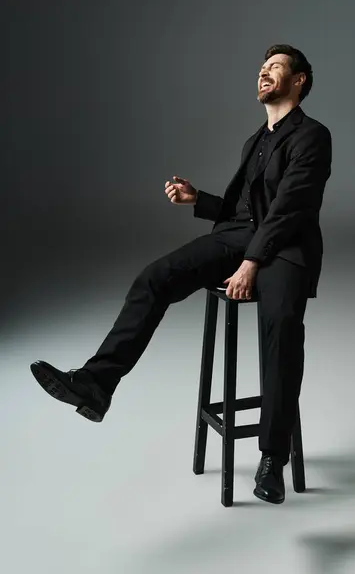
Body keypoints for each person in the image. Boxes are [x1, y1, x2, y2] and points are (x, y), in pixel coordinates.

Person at [30, 44, 332, 505]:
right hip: (239, 238)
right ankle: (96, 383)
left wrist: (250, 263)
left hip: (286, 249)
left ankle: (272, 458)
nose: (263, 73)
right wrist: (200, 201)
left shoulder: (312, 135)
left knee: (281, 330)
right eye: (261, 68)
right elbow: (243, 210)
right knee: (156, 277)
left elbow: (289, 208)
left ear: (300, 80)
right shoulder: (256, 140)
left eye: (274, 68)